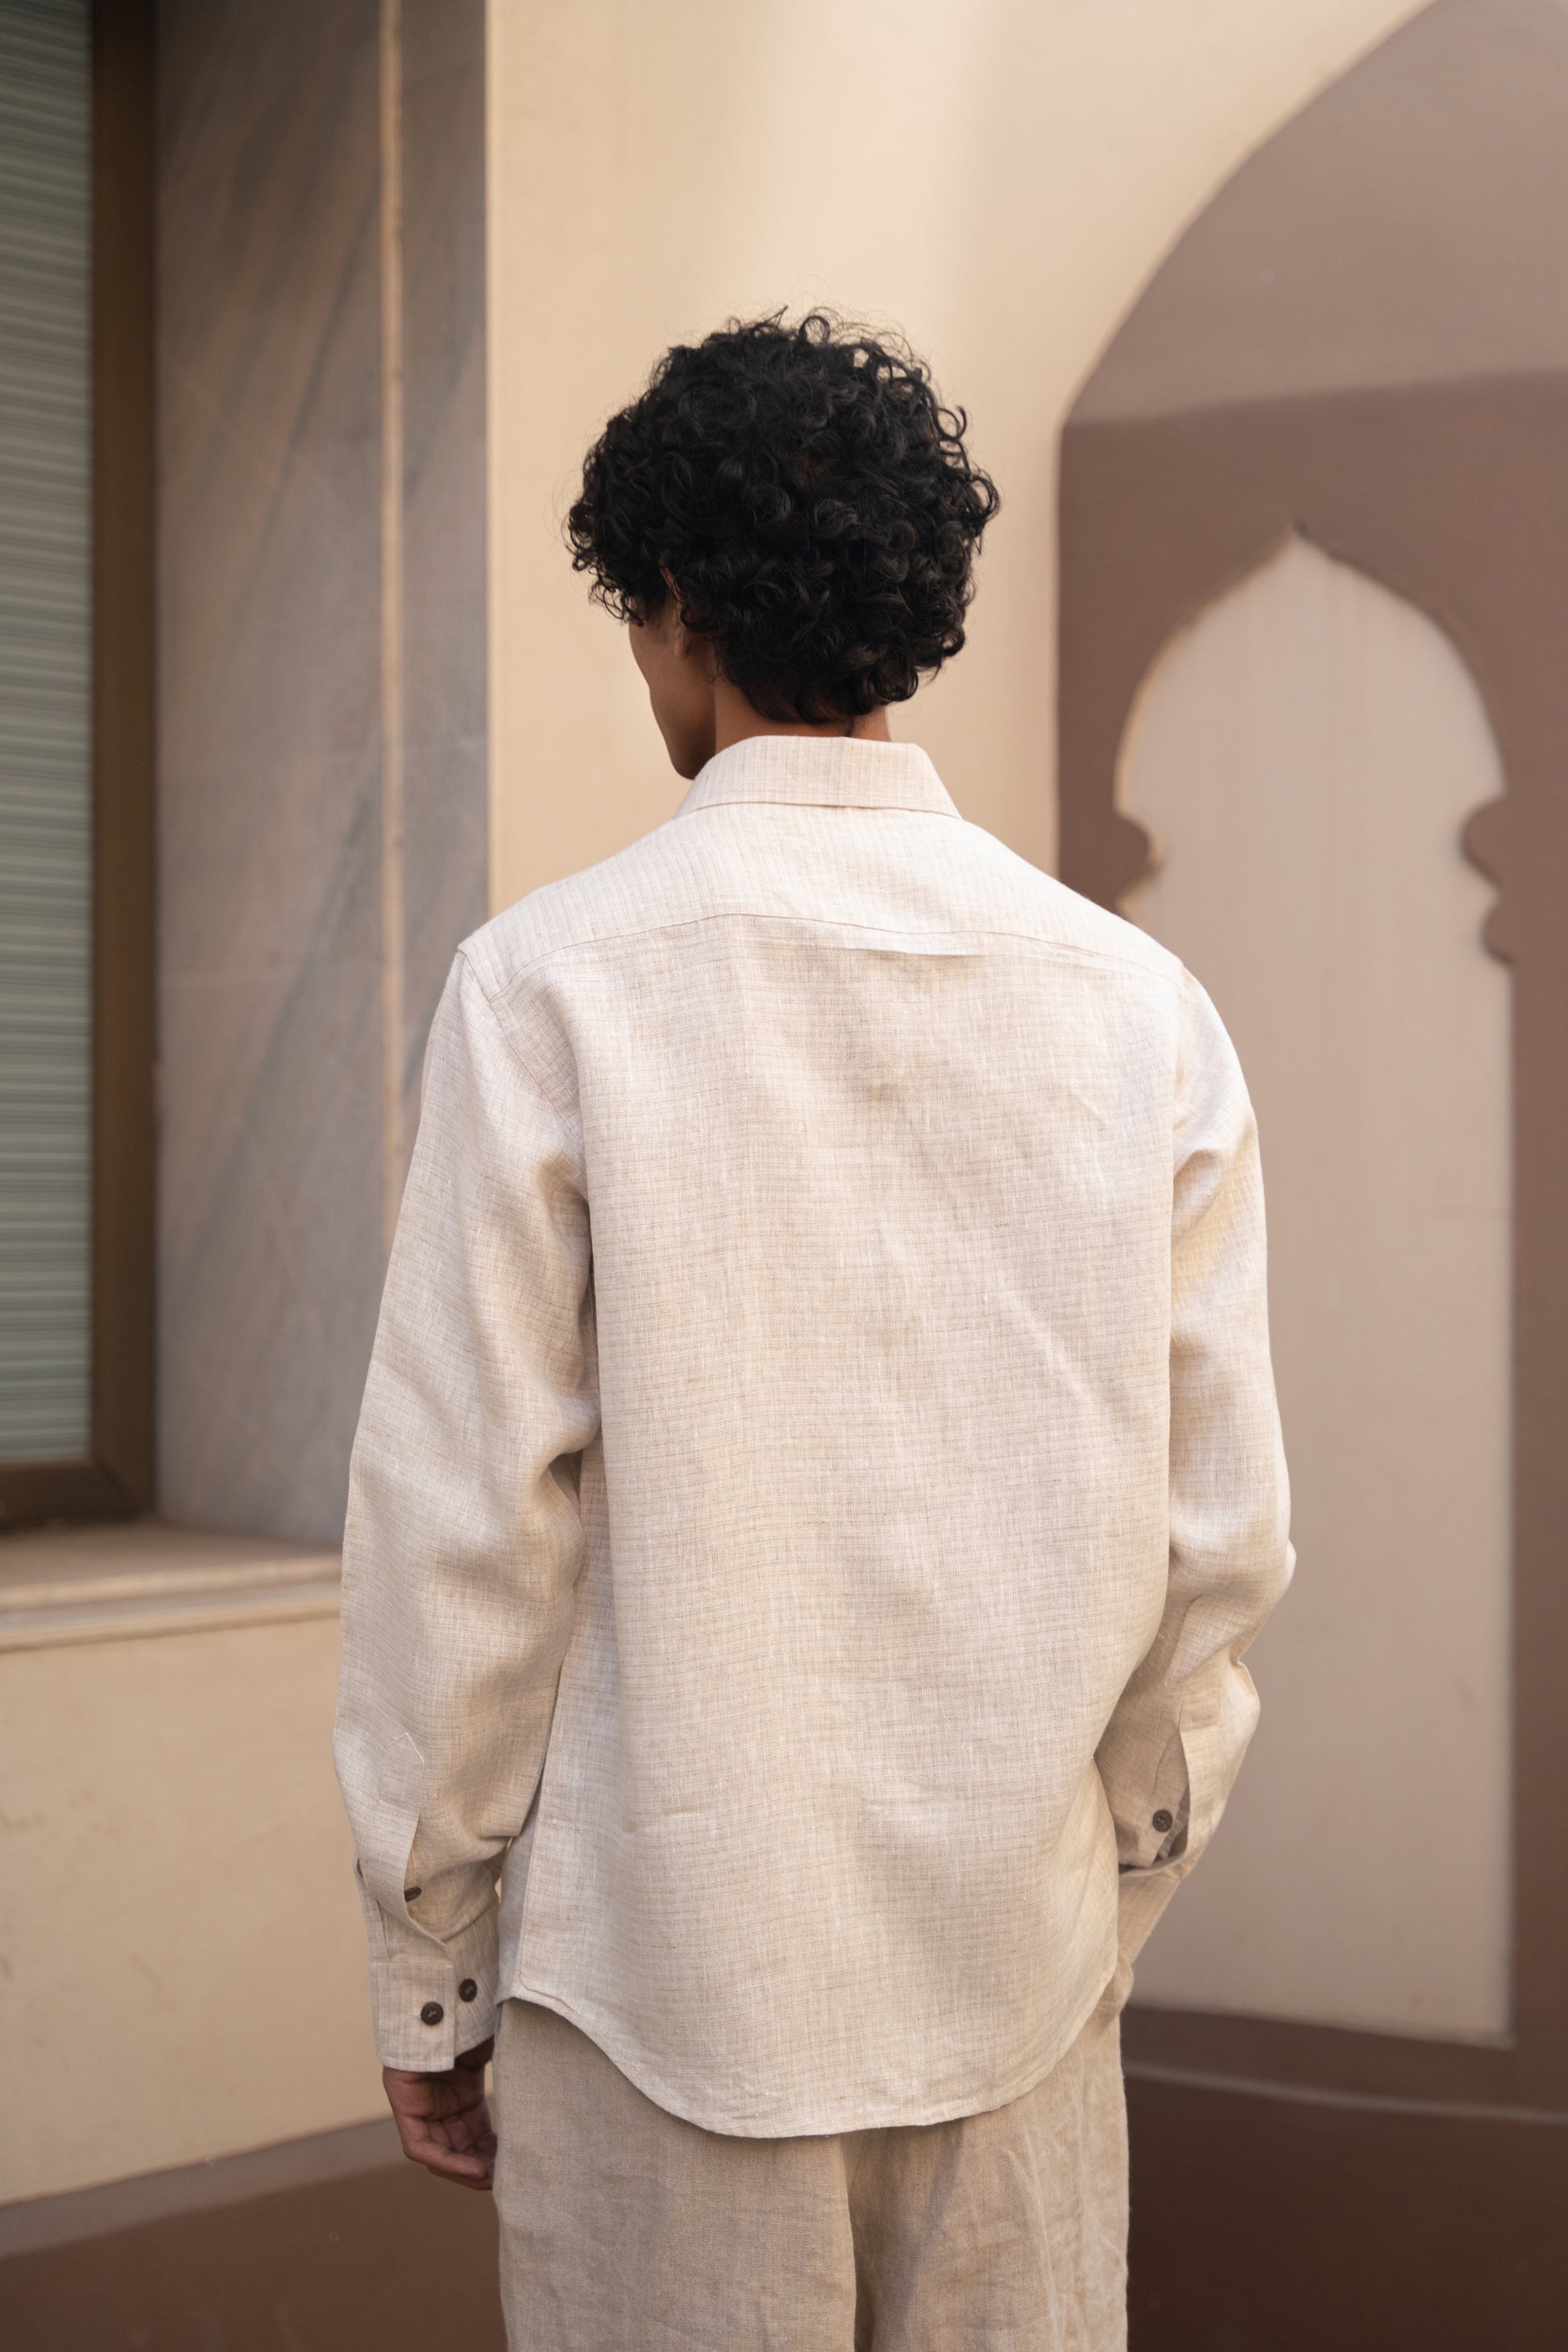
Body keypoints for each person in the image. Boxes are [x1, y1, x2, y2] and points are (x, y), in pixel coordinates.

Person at [334, 312, 1292, 2350]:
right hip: (1015, 1999)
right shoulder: (1138, 1009)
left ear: (673, 599)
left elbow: (464, 1532)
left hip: (661, 1989)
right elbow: (1221, 1548)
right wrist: (1090, 1892)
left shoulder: (550, 988)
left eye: (637, 614)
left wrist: (432, 1959)